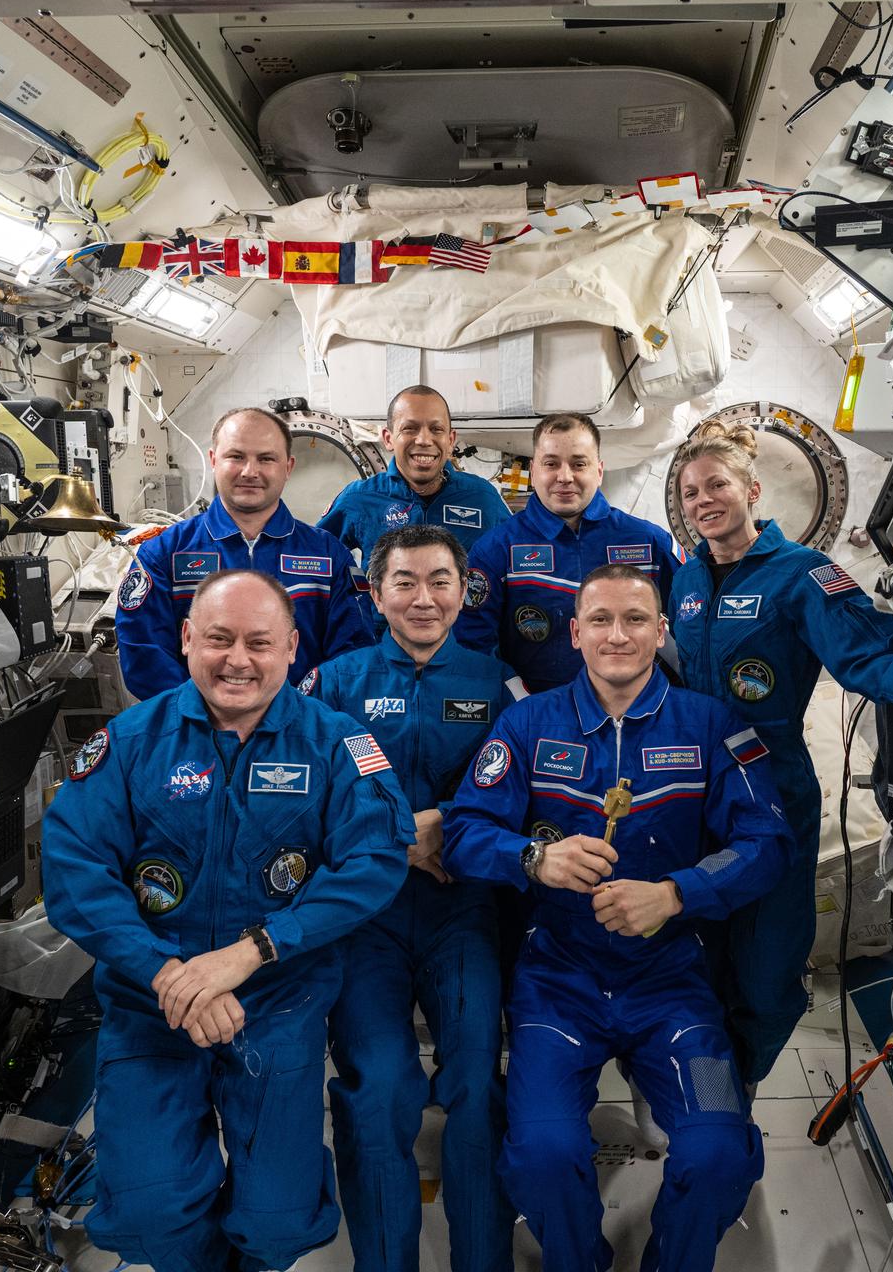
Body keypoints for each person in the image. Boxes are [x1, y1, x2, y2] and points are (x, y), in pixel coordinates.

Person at [42, 568, 411, 1271]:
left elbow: (373, 862)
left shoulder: (336, 746)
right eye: (218, 639)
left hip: (274, 1002)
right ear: (186, 639)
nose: (237, 660)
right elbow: (73, 865)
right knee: (147, 1217)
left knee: (276, 1225)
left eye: (258, 643)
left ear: (292, 650)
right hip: (154, 1005)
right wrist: (167, 974)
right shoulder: (132, 742)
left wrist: (253, 952)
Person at [444, 564, 791, 1272]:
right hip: (556, 983)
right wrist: (533, 858)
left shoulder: (711, 727)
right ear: (574, 633)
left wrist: (677, 893)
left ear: (661, 630)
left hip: (674, 986)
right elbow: (463, 831)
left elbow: (767, 844)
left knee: (721, 1149)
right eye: (599, 619)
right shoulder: (528, 724)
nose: (617, 635)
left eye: (636, 619)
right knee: (540, 1154)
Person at [668, 419, 893, 1088]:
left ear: (753, 489)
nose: (704, 500)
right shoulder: (687, 581)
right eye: (691, 491)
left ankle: (741, 1089)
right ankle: (699, 1093)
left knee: (766, 963)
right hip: (693, 796)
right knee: (698, 956)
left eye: (718, 484)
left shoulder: (803, 574)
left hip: (770, 793)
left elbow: (863, 652)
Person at [307, 525, 522, 1272]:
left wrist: (449, 827)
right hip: (363, 915)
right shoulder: (334, 685)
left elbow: (522, 793)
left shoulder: (499, 684)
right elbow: (309, 801)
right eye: (404, 581)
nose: (423, 598)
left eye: (440, 580)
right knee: (380, 1087)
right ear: (375, 593)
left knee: (472, 1078)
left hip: (462, 912)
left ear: (465, 593)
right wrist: (403, 838)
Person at [115, 406, 372, 699]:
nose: (250, 471)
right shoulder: (163, 554)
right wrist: (202, 716)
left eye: (266, 458)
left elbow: (353, 653)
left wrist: (299, 715)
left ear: (287, 467)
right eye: (236, 457)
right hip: (195, 734)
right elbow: (143, 651)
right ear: (213, 460)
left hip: (301, 733)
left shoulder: (329, 556)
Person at [457, 412, 682, 694]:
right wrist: (521, 703)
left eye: (579, 464)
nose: (565, 476)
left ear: (598, 471)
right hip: (538, 716)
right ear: (534, 470)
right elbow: (473, 643)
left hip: (636, 716)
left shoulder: (649, 542)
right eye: (551, 464)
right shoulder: (497, 549)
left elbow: (692, 626)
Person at [317, 385, 512, 562]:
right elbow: (315, 556)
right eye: (410, 428)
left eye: (436, 429)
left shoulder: (483, 498)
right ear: (388, 438)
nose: (424, 440)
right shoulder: (358, 499)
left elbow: (515, 560)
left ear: (451, 440)